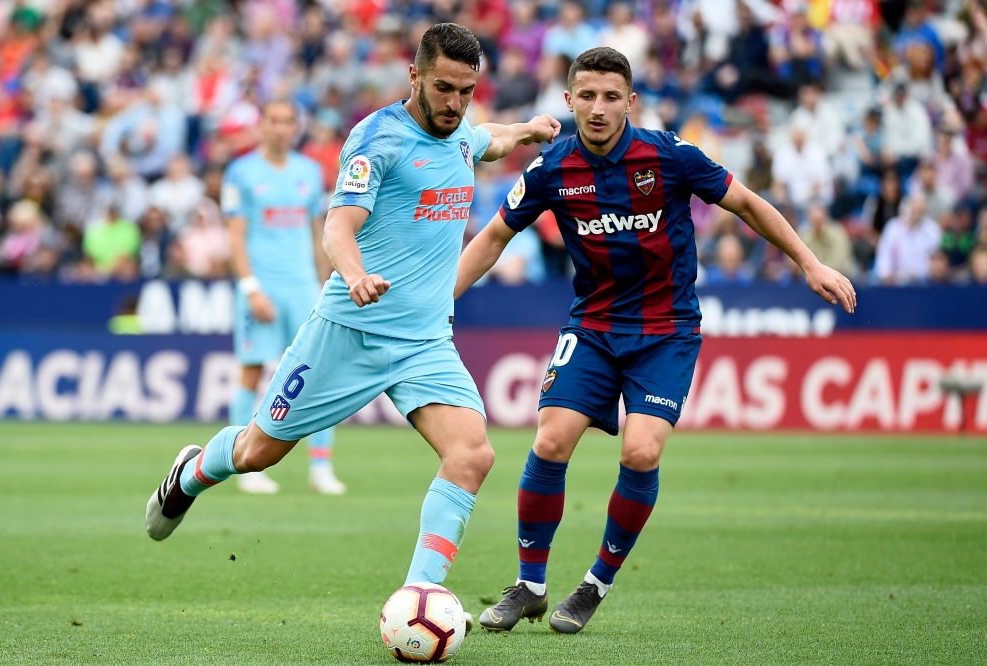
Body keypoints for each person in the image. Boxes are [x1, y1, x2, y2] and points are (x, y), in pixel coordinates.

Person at [145, 23, 560, 603]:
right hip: (349, 330)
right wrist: (357, 273)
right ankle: (189, 474)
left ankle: (419, 599)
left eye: (467, 90)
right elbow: (338, 226)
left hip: (424, 342)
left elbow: (482, 137)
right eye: (444, 88)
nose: (455, 103)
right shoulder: (377, 139)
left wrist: (525, 130)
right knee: (257, 453)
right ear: (414, 75)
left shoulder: (459, 129)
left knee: (473, 453)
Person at [458, 47, 855, 635]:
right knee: (550, 441)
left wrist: (809, 263)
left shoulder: (670, 156)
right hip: (592, 326)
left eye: (610, 96)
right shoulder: (550, 169)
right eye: (586, 96)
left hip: (666, 329)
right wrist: (441, 304)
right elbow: (493, 237)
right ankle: (530, 586)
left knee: (641, 452)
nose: (597, 108)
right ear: (568, 101)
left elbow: (745, 203)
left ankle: (595, 584)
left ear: (630, 102)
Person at [220, 99, 345, 495]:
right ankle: (245, 465)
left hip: (303, 286)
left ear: (296, 126)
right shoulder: (241, 173)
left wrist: (324, 283)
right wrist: (250, 287)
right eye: (273, 120)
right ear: (262, 125)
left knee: (321, 374)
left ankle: (320, 468)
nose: (280, 128)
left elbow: (317, 232)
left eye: (288, 121)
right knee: (253, 371)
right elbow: (236, 237)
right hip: (263, 285)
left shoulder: (309, 172)